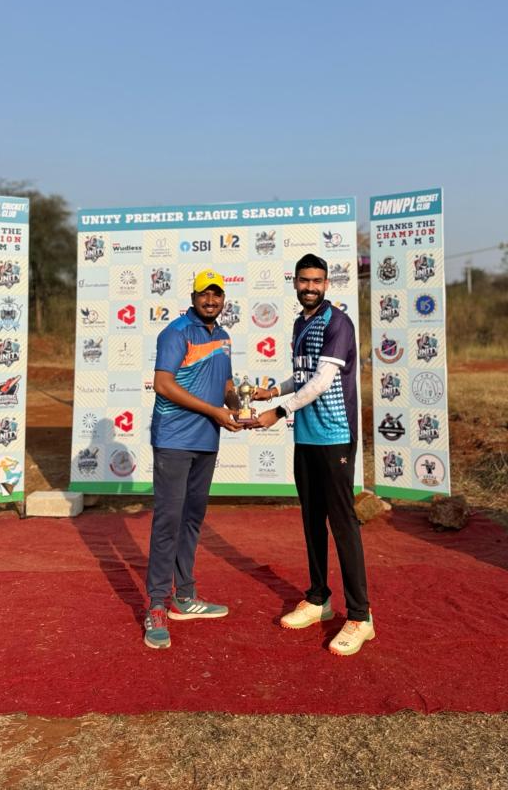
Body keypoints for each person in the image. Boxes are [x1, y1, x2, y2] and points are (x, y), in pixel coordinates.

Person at [254, 253, 374, 657]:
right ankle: (319, 598)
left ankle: (360, 616)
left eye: (316, 281)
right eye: (304, 280)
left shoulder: (337, 322)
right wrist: (275, 390)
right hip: (306, 437)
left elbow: (323, 380)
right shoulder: (300, 323)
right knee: (312, 520)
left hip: (334, 436)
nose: (310, 287)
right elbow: (304, 375)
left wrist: (278, 411)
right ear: (295, 282)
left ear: (326, 284)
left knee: (343, 523)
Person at [144, 269, 243, 650]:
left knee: (191, 520)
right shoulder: (176, 332)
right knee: (168, 521)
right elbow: (163, 384)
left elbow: (227, 385)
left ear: (223, 299)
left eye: (216, 294)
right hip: (173, 439)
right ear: (193, 296)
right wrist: (214, 411)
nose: (210, 300)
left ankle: (184, 596)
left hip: (206, 440)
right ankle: (157, 605)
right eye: (204, 294)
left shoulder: (223, 337)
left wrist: (236, 406)